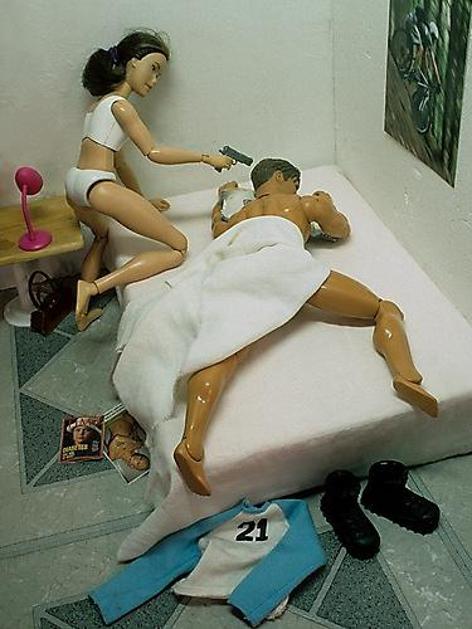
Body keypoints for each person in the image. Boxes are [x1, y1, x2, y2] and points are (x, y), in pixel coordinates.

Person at [172, 158, 438, 496]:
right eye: (295, 182)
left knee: (223, 351)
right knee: (383, 309)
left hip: (238, 273)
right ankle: (407, 377)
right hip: (285, 266)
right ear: (281, 177)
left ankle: (190, 443)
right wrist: (327, 203)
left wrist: (220, 201)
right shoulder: (302, 202)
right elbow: (340, 230)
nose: (298, 188)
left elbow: (217, 230)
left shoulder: (240, 216)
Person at [65, 29, 233, 331]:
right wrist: (207, 158)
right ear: (132, 62)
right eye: (153, 69)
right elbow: (153, 152)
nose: (154, 81)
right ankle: (93, 287)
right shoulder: (121, 106)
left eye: (159, 75)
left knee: (102, 237)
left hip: (74, 183)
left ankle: (81, 314)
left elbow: (119, 162)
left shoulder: (96, 108)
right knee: (179, 248)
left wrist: (141, 201)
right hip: (98, 187)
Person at [404, 6, 441, 85]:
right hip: (411, 22)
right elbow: (432, 60)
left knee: (414, 51)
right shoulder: (427, 33)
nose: (433, 41)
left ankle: (404, 66)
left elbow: (426, 58)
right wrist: (438, 81)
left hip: (409, 20)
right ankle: (412, 71)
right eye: (434, 38)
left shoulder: (425, 29)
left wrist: (430, 76)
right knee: (420, 49)